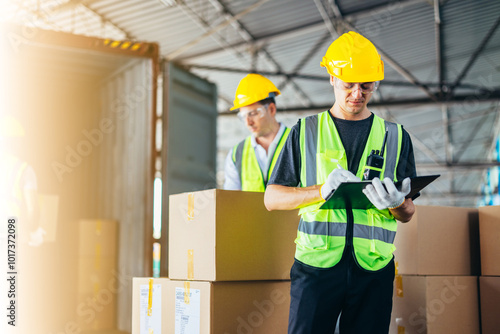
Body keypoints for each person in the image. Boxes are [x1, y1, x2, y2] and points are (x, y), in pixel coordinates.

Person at [264, 31, 417, 333]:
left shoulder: (396, 138)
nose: (357, 94)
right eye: (348, 84)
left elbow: (409, 213)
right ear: (332, 78)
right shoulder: (305, 131)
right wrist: (321, 191)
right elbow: (272, 198)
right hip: (315, 267)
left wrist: (397, 204)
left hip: (374, 269)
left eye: (366, 85)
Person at [224, 73, 291, 191]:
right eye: (243, 116)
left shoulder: (299, 142)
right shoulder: (236, 155)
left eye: (253, 114)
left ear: (271, 109)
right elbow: (231, 201)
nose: (248, 122)